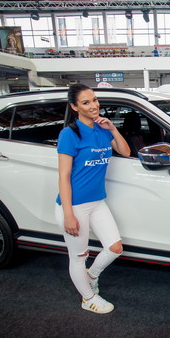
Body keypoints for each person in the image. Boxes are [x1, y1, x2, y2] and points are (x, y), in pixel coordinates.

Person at [55, 84, 131, 314]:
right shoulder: (69, 134)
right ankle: (88, 298)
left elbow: (126, 152)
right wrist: (68, 214)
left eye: (95, 100)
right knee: (79, 256)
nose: (94, 105)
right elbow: (63, 176)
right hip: (75, 205)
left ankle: (91, 276)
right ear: (74, 107)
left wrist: (113, 129)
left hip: (97, 201)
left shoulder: (102, 129)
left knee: (115, 247)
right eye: (86, 102)